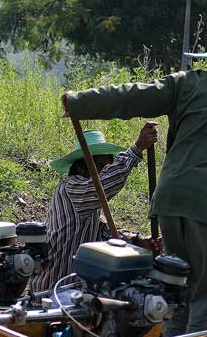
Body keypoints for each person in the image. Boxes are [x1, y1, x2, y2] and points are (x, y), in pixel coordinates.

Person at [61, 18, 207, 337]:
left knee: (178, 290)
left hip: (168, 201)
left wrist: (80, 101)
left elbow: (134, 95)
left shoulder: (187, 84)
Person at [29, 125, 160, 293]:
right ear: (82, 166)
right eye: (100, 166)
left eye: (108, 166)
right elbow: (104, 184)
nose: (105, 171)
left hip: (76, 291)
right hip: (53, 290)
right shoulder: (72, 189)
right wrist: (136, 149)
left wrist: (138, 241)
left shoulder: (90, 205)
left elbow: (105, 233)